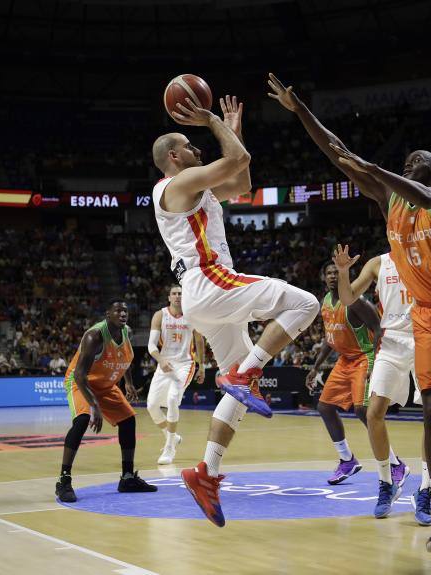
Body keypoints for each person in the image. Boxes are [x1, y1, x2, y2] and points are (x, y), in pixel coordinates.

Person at [267, 73, 431, 550]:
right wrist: (302, 113)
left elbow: (419, 192)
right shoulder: (388, 198)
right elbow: (338, 154)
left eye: (420, 160)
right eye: (408, 160)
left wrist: (375, 167)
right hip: (425, 320)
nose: (412, 162)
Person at [152, 94, 319, 527]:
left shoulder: (197, 188)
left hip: (205, 298)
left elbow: (241, 180)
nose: (198, 148)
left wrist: (232, 125)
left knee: (238, 398)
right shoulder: (176, 185)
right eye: (190, 146)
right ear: (174, 156)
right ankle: (244, 374)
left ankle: (205, 473)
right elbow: (237, 156)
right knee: (306, 303)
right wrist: (211, 120)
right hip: (210, 281)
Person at [332, 244, 431, 523]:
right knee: (373, 412)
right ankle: (386, 483)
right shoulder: (378, 263)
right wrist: (343, 271)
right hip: (390, 343)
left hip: (424, 339)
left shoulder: (428, 253)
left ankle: (425, 490)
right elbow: (349, 298)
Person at [55, 300, 157, 503]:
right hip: (81, 382)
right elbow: (80, 375)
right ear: (107, 314)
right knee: (83, 419)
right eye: (118, 310)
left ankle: (127, 478)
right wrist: (94, 406)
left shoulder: (126, 332)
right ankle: (64, 481)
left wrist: (128, 382)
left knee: (128, 419)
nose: (122, 314)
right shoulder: (95, 336)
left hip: (105, 384)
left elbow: (124, 358)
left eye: (125, 311)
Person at [306, 262, 381, 487]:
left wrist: (375, 362)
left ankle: (394, 463)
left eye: (336, 273)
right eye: (328, 273)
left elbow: (378, 328)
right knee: (325, 407)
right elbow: (330, 339)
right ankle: (347, 459)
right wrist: (316, 367)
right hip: (344, 360)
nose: (332, 276)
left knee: (363, 410)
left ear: (344, 277)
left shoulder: (355, 302)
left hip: (363, 356)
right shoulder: (326, 303)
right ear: (323, 277)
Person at [146, 284, 206, 464]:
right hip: (164, 364)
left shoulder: (192, 316)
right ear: (169, 297)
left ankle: (169, 448)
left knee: (172, 400)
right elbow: (151, 346)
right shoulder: (160, 315)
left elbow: (199, 340)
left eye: (180, 293)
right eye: (174, 293)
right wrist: (160, 359)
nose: (178, 296)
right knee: (152, 406)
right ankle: (172, 436)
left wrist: (201, 365)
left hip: (185, 364)